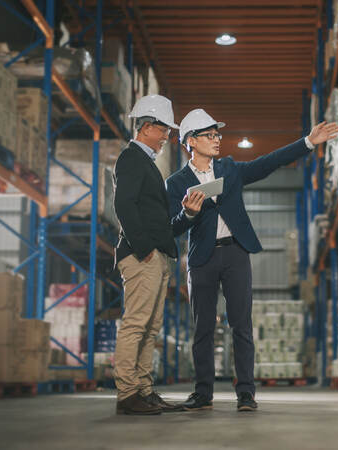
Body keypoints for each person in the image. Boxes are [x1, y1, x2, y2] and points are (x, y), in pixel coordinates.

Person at [166, 108, 338, 412]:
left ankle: (246, 393)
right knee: (203, 328)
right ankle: (203, 393)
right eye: (209, 135)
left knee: (242, 326)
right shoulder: (176, 183)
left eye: (217, 134)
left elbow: (266, 164)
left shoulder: (230, 169)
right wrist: (188, 213)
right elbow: (172, 228)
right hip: (202, 259)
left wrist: (308, 143)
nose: (217, 139)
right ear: (190, 141)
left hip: (236, 253)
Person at [112, 94, 185, 415]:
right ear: (147, 127)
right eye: (164, 128)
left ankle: (144, 389)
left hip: (157, 254)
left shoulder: (146, 161)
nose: (168, 135)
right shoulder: (131, 158)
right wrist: (143, 248)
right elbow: (123, 205)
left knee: (151, 327)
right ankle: (128, 394)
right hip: (142, 255)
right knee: (136, 324)